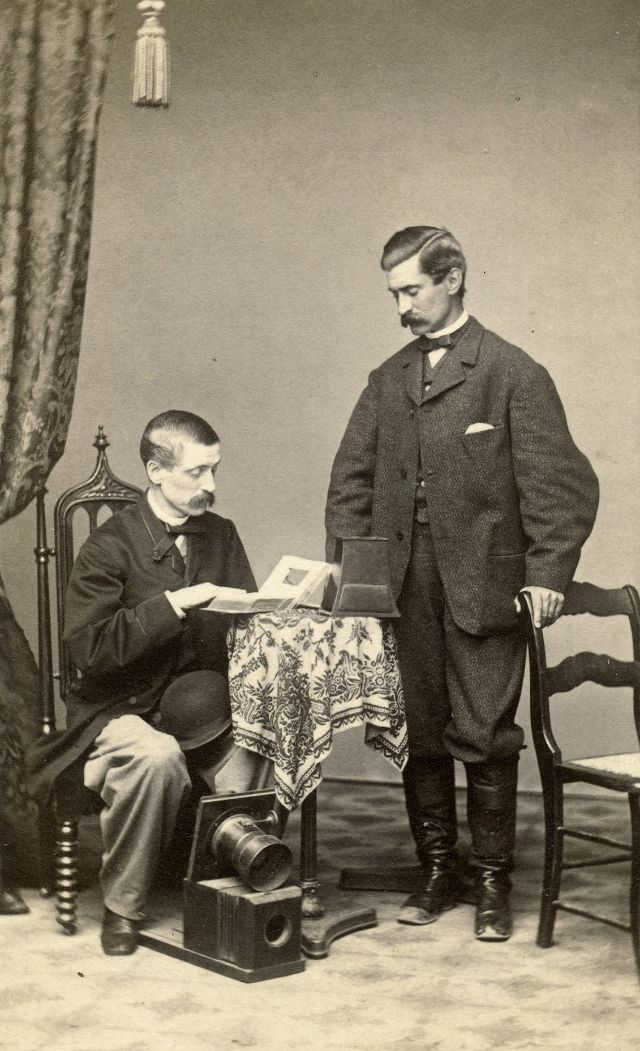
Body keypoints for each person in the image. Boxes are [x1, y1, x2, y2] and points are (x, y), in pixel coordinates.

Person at [325, 227, 599, 941]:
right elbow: (349, 484)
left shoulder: (512, 371)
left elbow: (561, 488)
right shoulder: (386, 380)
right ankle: (439, 870)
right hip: (402, 588)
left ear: (452, 279)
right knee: (418, 735)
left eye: (410, 291)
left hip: (484, 589)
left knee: (482, 733)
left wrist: (546, 577)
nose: (400, 308)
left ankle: (490, 884)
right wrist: (357, 582)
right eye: (393, 294)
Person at [31, 410, 268, 955]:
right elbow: (87, 651)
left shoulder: (221, 534)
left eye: (215, 470)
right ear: (155, 470)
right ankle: (123, 906)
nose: (210, 485)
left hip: (198, 708)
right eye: (196, 472)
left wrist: (275, 610)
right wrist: (171, 606)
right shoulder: (108, 547)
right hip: (115, 712)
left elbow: (244, 624)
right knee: (156, 756)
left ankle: (235, 892)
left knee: (260, 743)